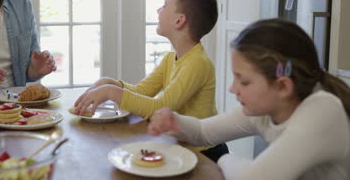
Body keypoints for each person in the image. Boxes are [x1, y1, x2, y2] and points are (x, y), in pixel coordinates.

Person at [148, 18, 350, 179]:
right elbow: (203, 131)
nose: (232, 89)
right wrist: (174, 122)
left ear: (283, 86)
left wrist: (223, 159)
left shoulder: (322, 111)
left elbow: (255, 176)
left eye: (243, 82)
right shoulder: (269, 106)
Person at [74, 0, 228, 162]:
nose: (158, 10)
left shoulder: (197, 63)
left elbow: (158, 108)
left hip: (205, 155)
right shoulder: (171, 58)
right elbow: (142, 91)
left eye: (164, 6)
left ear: (179, 20)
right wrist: (112, 83)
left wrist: (111, 92)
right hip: (183, 148)